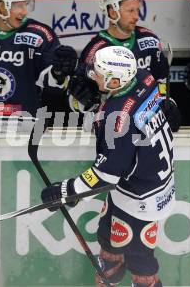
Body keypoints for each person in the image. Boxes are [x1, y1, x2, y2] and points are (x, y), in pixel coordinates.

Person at [41, 46, 175, 287]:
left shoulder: (118, 118)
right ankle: (110, 275)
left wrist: (66, 191)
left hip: (141, 199)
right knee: (108, 239)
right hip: (141, 183)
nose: (93, 76)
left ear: (115, 80)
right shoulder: (144, 77)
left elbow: (105, 176)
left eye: (99, 75)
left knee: (141, 265)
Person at [68, 0, 181, 132]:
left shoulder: (150, 40)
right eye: (130, 11)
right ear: (112, 12)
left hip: (144, 127)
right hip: (108, 129)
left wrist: (166, 102)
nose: (136, 16)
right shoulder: (95, 51)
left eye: (137, 10)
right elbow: (73, 101)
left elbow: (161, 81)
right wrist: (83, 101)